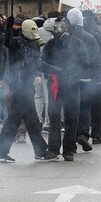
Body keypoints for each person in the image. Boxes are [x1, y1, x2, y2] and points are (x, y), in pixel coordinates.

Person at [0, 19, 57, 163]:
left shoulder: (32, 43)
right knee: (16, 119)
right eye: (31, 29)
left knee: (29, 119)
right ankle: (2, 152)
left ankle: (38, 151)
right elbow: (8, 43)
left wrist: (48, 71)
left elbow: (37, 62)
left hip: (26, 86)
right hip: (19, 86)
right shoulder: (17, 42)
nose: (34, 31)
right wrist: (9, 28)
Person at [41, 17, 89, 161]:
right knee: (54, 116)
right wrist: (51, 71)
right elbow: (43, 62)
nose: (57, 30)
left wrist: (73, 75)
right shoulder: (50, 44)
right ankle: (53, 149)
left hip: (72, 85)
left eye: (60, 26)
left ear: (66, 27)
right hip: (55, 84)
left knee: (72, 117)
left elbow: (85, 64)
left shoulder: (77, 44)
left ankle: (69, 150)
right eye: (55, 27)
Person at [67, 8, 101, 151]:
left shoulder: (66, 36)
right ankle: (83, 133)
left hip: (69, 78)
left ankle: (71, 139)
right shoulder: (90, 37)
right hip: (86, 78)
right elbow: (96, 60)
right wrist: (98, 79)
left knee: (71, 108)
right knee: (84, 107)